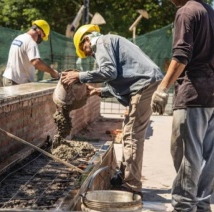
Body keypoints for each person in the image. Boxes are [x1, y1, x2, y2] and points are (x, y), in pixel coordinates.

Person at [61, 24, 164, 198]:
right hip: (144, 83)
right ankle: (124, 176)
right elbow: (122, 75)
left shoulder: (101, 42)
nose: (88, 53)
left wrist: (79, 76)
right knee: (130, 133)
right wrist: (99, 91)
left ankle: (131, 186)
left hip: (144, 85)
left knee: (132, 135)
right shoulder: (111, 41)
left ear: (86, 39)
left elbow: (108, 71)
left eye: (84, 49)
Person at [150, 0, 214, 211]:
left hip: (193, 95)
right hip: (213, 95)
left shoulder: (186, 12)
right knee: (206, 156)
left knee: (187, 154)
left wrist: (162, 88)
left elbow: (181, 56)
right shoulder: (210, 13)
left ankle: (183, 207)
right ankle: (202, 206)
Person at [2, 20, 59, 86]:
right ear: (39, 32)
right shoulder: (31, 42)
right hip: (17, 82)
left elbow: (25, 61)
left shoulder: (19, 37)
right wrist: (52, 72)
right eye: (43, 36)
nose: (42, 39)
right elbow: (36, 62)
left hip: (8, 78)